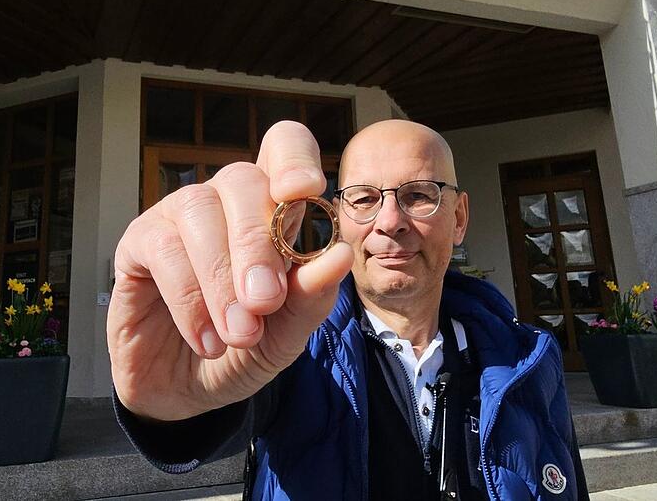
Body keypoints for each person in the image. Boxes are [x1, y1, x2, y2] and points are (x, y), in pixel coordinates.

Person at [107, 119, 588, 500]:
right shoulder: (289, 353)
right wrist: (170, 410)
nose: (390, 222)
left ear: (458, 218)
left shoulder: (529, 359)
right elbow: (222, 410)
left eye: (419, 195)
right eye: (364, 199)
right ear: (337, 218)